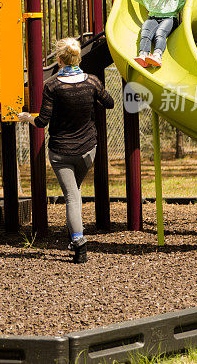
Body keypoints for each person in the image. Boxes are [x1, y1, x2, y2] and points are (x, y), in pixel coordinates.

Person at [19, 38, 114, 263]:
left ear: (60, 60)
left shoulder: (52, 85)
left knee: (72, 196)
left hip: (61, 152)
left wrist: (26, 118)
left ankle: (79, 242)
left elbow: (42, 122)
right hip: (87, 150)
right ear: (78, 58)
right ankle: (74, 235)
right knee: (75, 192)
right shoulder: (92, 82)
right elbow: (108, 103)